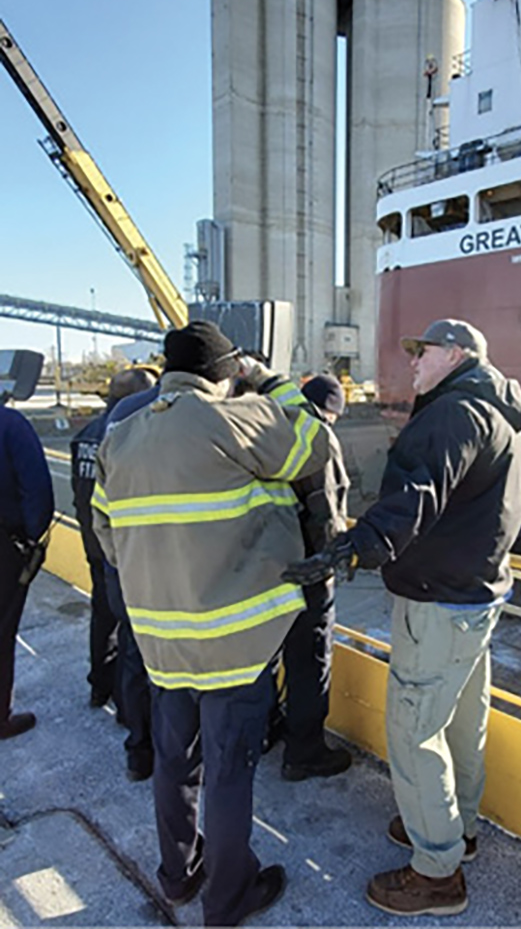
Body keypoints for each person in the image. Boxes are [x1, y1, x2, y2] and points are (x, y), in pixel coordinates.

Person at [285, 318, 521, 917]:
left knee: (414, 730)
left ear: (454, 354)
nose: (413, 363)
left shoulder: (453, 414)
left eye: (422, 353)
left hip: (438, 600)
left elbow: (417, 492)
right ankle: (458, 830)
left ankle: (436, 873)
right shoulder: (505, 419)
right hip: (477, 597)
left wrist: (356, 545)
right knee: (462, 720)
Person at [91, 321, 330, 926]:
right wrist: (272, 382)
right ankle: (227, 901)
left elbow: (104, 533)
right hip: (235, 643)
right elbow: (313, 441)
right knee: (228, 771)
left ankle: (177, 877)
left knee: (176, 761)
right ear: (224, 375)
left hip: (162, 641)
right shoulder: (231, 418)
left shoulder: (120, 437)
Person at [270, 373, 352, 781]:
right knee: (309, 660)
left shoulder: (269, 427)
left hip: (266, 568)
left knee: (267, 655)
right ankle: (304, 752)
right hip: (306, 570)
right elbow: (327, 508)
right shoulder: (316, 435)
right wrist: (332, 562)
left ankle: (266, 730)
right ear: (329, 409)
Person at [71, 368, 157, 712]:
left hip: (94, 542)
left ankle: (99, 687)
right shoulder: (131, 436)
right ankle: (128, 705)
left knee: (102, 616)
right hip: (124, 549)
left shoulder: (85, 435)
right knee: (131, 631)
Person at [0, 405, 54, 739]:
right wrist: (32, 538)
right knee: (3, 632)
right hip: (5, 543)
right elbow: (37, 489)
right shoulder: (11, 425)